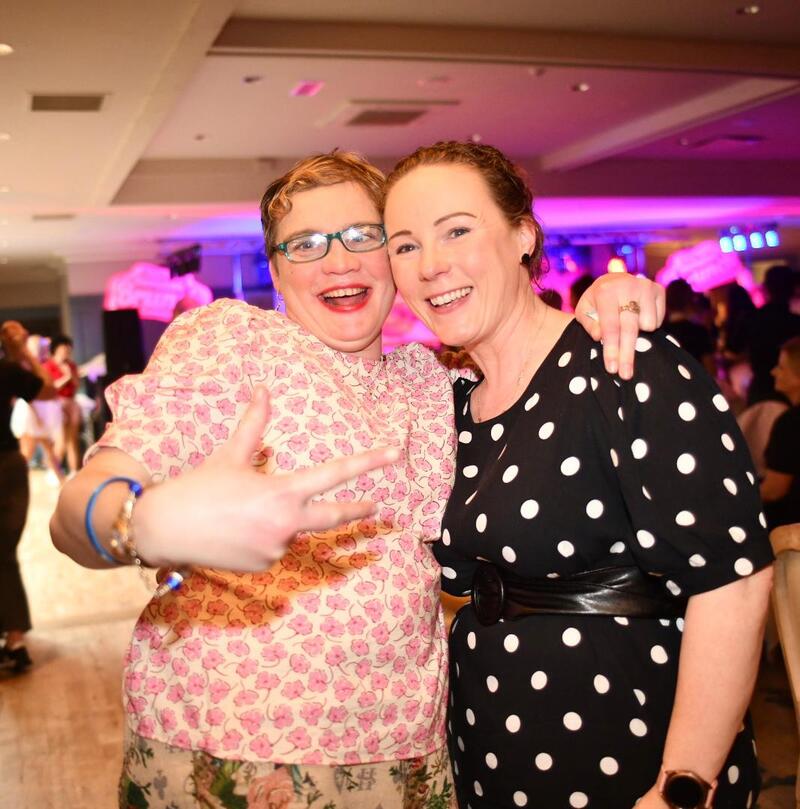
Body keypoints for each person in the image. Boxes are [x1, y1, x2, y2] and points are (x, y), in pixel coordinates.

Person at [51, 151, 663, 809]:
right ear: (276, 271)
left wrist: (605, 301)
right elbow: (82, 503)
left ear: (395, 257)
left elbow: (526, 355)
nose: (337, 262)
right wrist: (140, 524)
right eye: (305, 244)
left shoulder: (431, 381)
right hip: (237, 744)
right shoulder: (231, 343)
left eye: (362, 236)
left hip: (408, 748)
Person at [382, 141, 774, 809]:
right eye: (406, 245)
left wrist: (680, 787)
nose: (431, 264)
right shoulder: (451, 405)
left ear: (523, 236)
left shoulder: (624, 364)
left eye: (457, 230)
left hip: (628, 748)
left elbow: (732, 581)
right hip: (493, 751)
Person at [0, 321, 57, 673]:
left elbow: (48, 392)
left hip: (6, 466)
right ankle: (15, 639)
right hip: (7, 465)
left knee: (3, 551)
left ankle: (15, 638)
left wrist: (19, 355)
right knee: (4, 552)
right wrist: (22, 354)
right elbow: (47, 390)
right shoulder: (6, 369)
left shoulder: (6, 370)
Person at [11, 335, 67, 486]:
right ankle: (15, 483)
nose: (42, 350)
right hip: (31, 411)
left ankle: (61, 481)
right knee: (27, 452)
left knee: (49, 449)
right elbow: (28, 393)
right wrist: (36, 415)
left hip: (41, 410)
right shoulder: (25, 365)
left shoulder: (39, 365)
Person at [745, 265, 800, 405]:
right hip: (789, 389)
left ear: (766, 288)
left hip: (761, 391)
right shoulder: (794, 322)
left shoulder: (753, 319)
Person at [760, 336, 800, 530]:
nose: (773, 371)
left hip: (791, 530)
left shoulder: (791, 423)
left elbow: (774, 490)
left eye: (781, 368)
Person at [43, 334, 82, 475]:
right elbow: (51, 387)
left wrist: (70, 374)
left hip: (71, 402)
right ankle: (53, 470)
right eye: (64, 347)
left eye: (68, 348)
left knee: (72, 440)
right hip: (56, 403)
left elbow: (77, 384)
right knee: (60, 439)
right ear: (56, 348)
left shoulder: (71, 365)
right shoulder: (48, 366)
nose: (67, 350)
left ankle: (74, 471)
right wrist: (66, 377)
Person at [663, 280, 716, 377]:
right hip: (696, 383)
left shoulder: (660, 333)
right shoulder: (699, 332)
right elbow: (710, 370)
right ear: (690, 301)